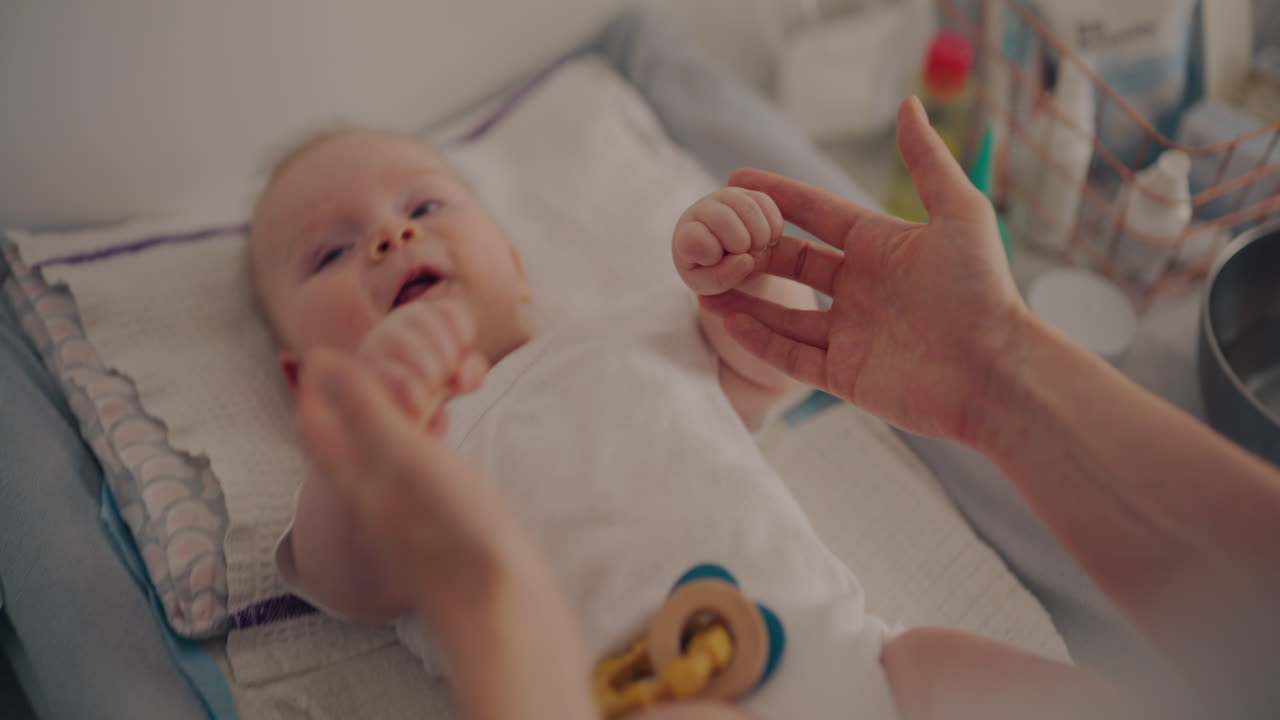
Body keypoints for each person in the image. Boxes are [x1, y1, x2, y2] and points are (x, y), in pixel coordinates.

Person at [266, 96, 1280, 720]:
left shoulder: (629, 329)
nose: (390, 241)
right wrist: (361, 429)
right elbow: (346, 580)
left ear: (515, 261)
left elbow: (775, 362)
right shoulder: (390, 465)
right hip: (638, 696)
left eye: (422, 208)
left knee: (1043, 695)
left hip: (864, 664)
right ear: (296, 372)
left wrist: (746, 264)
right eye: (330, 251)